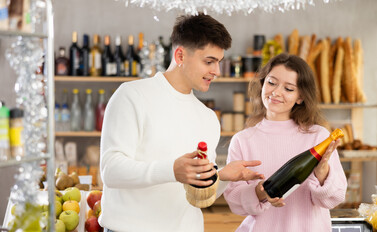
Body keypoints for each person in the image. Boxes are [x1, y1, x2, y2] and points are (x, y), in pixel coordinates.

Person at [99, 13, 264, 232]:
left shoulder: (207, 117)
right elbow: (111, 170)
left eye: (219, 63)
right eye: (209, 62)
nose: (216, 71)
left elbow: (199, 194)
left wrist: (221, 176)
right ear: (180, 55)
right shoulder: (132, 96)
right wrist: (172, 170)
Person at [224, 53, 347, 232]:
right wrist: (261, 192)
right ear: (262, 83)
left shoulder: (318, 137)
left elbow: (334, 199)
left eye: (288, 89)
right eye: (272, 83)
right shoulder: (242, 140)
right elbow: (234, 202)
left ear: (300, 97)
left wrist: (322, 174)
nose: (276, 92)